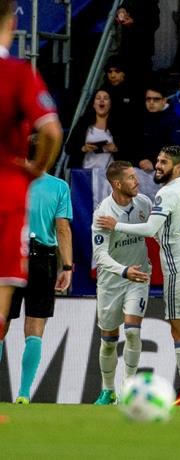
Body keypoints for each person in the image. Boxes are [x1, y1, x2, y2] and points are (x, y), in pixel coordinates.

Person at [96, 146, 180, 406]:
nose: (157, 166)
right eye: (158, 160)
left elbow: (150, 229)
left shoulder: (165, 194)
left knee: (179, 330)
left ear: (178, 168)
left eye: (164, 162)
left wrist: (117, 225)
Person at [0, 0, 63, 342]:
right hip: (6, 190)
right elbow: (52, 132)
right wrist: (35, 170)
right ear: (12, 23)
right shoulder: (18, 73)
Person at [1, 170, 72, 404]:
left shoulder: (8, 179)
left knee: (2, 323)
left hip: (10, 254)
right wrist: (68, 267)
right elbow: (62, 228)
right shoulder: (59, 186)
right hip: (43, 259)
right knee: (35, 326)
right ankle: (23, 393)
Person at [91, 161, 152, 405]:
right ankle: (108, 390)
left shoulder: (144, 204)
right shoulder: (102, 214)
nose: (136, 181)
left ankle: (128, 387)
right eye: (130, 178)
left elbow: (154, 230)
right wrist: (124, 271)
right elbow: (100, 256)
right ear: (117, 184)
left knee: (133, 331)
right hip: (112, 282)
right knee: (108, 341)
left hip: (138, 278)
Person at [67, 89, 128, 170]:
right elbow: (68, 148)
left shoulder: (118, 125)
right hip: (86, 173)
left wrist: (116, 149)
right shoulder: (83, 122)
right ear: (93, 104)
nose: (102, 100)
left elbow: (129, 149)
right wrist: (84, 148)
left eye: (105, 98)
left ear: (110, 104)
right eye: (98, 98)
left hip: (110, 175)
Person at [137, 83, 180, 172]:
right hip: (141, 169)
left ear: (164, 100)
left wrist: (154, 162)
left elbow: (175, 150)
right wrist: (140, 160)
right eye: (148, 99)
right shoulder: (141, 118)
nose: (151, 102)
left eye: (156, 99)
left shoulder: (174, 121)